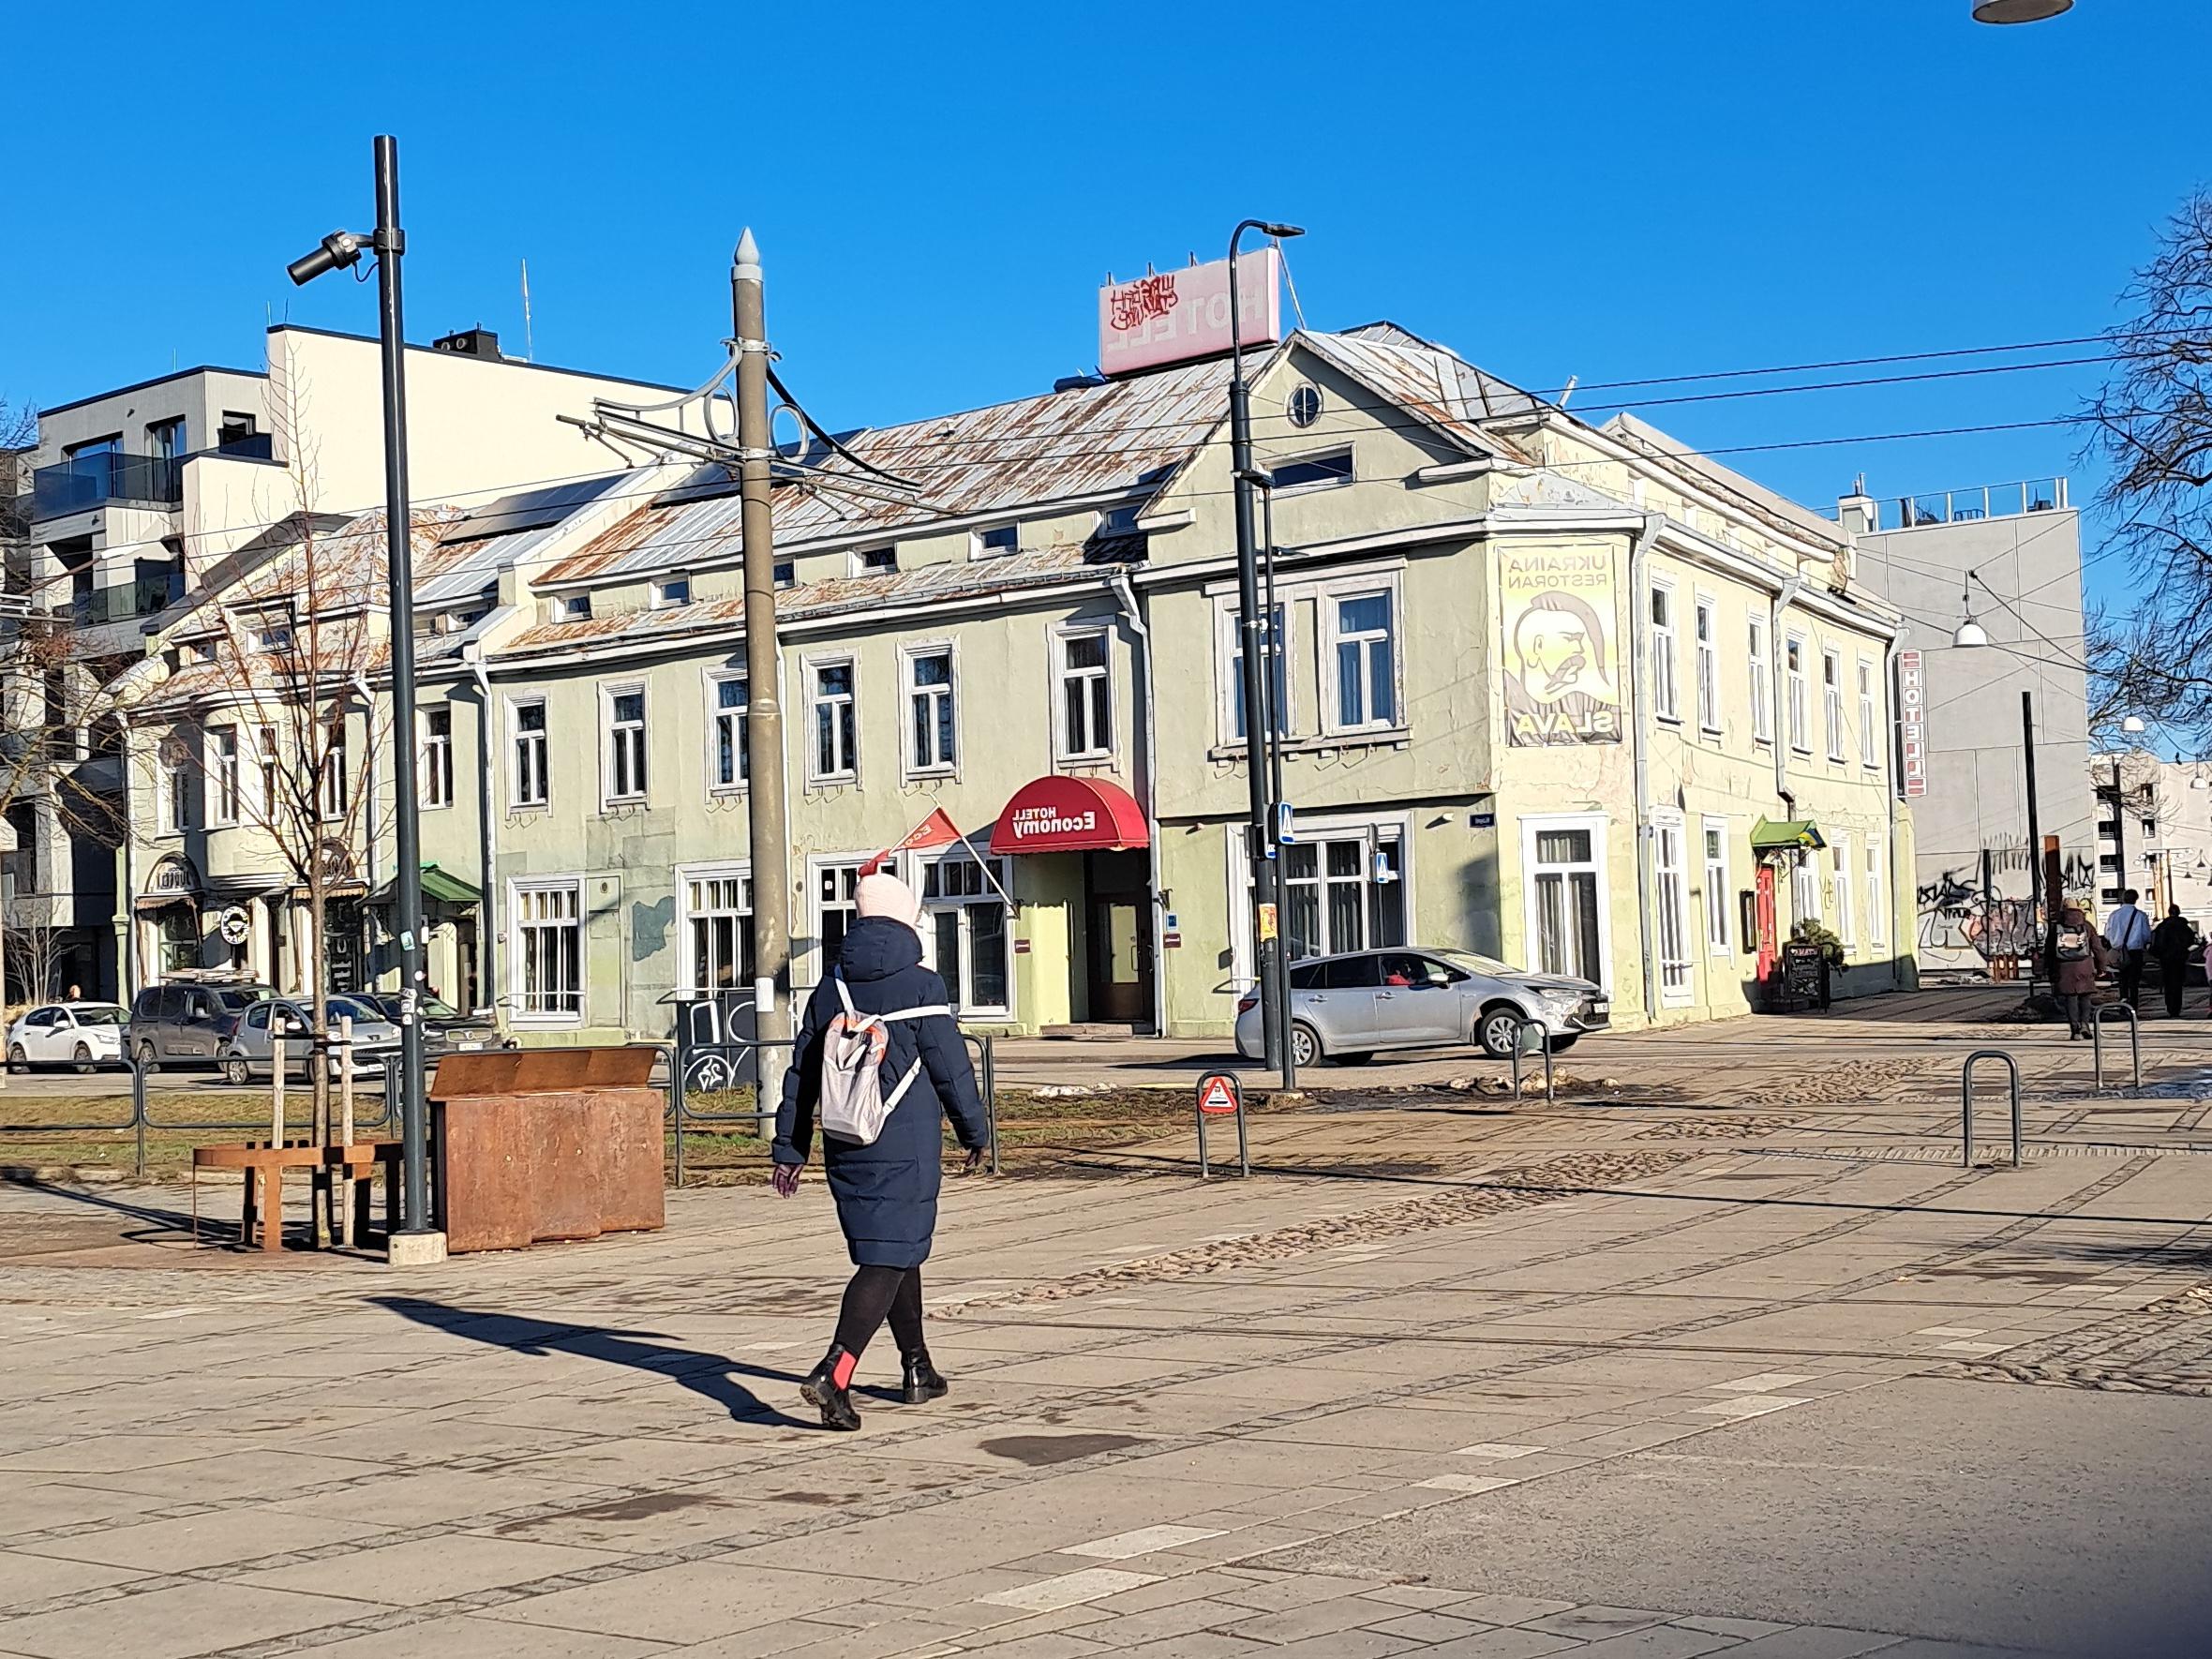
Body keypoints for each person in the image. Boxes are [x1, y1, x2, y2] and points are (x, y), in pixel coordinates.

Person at [773, 872, 991, 1431]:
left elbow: (801, 1075)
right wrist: (975, 1133)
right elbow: (952, 1069)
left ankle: (917, 1368)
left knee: (897, 1250)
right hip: (906, 1144)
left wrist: (790, 1147)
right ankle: (835, 1371)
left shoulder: (831, 987)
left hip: (846, 1142)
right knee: (887, 1257)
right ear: (906, 918)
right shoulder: (922, 987)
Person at [2053, 904, 2108, 1039]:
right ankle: (2085, 1024)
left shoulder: (2057, 927)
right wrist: (2102, 967)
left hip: (2064, 967)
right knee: (2085, 997)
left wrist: (2050, 970)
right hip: (2084, 966)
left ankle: (2075, 1030)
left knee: (2070, 998)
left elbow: (2049, 950)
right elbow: (2097, 948)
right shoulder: (2086, 925)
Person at [2102, 888, 2151, 1009]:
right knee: (2134, 981)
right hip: (2135, 952)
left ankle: (2123, 1002)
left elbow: (2107, 934)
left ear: (2123, 899)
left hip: (2118, 951)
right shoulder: (2140, 916)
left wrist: (2115, 942)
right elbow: (2146, 935)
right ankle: (2133, 1006)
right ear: (2136, 900)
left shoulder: (2114, 915)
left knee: (2122, 979)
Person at [2151, 904, 2200, 1019]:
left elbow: (2156, 943)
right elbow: (2191, 941)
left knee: (2168, 983)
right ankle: (2176, 1007)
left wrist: (2158, 954)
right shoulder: (2184, 926)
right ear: (2178, 912)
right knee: (2178, 983)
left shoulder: (2162, 926)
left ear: (2169, 913)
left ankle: (2170, 1007)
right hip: (2180, 957)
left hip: (2166, 958)